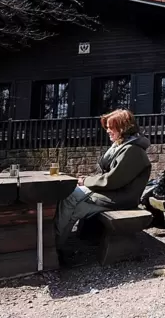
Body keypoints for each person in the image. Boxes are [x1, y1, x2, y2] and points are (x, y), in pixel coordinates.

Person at [54, 109, 152, 261]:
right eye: (106, 127)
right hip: (113, 193)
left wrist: (86, 181)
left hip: (120, 198)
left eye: (110, 127)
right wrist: (87, 180)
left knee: (71, 200)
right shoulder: (123, 146)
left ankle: (54, 247)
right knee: (71, 199)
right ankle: (56, 245)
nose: (107, 130)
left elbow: (112, 180)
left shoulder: (132, 150)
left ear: (123, 127)